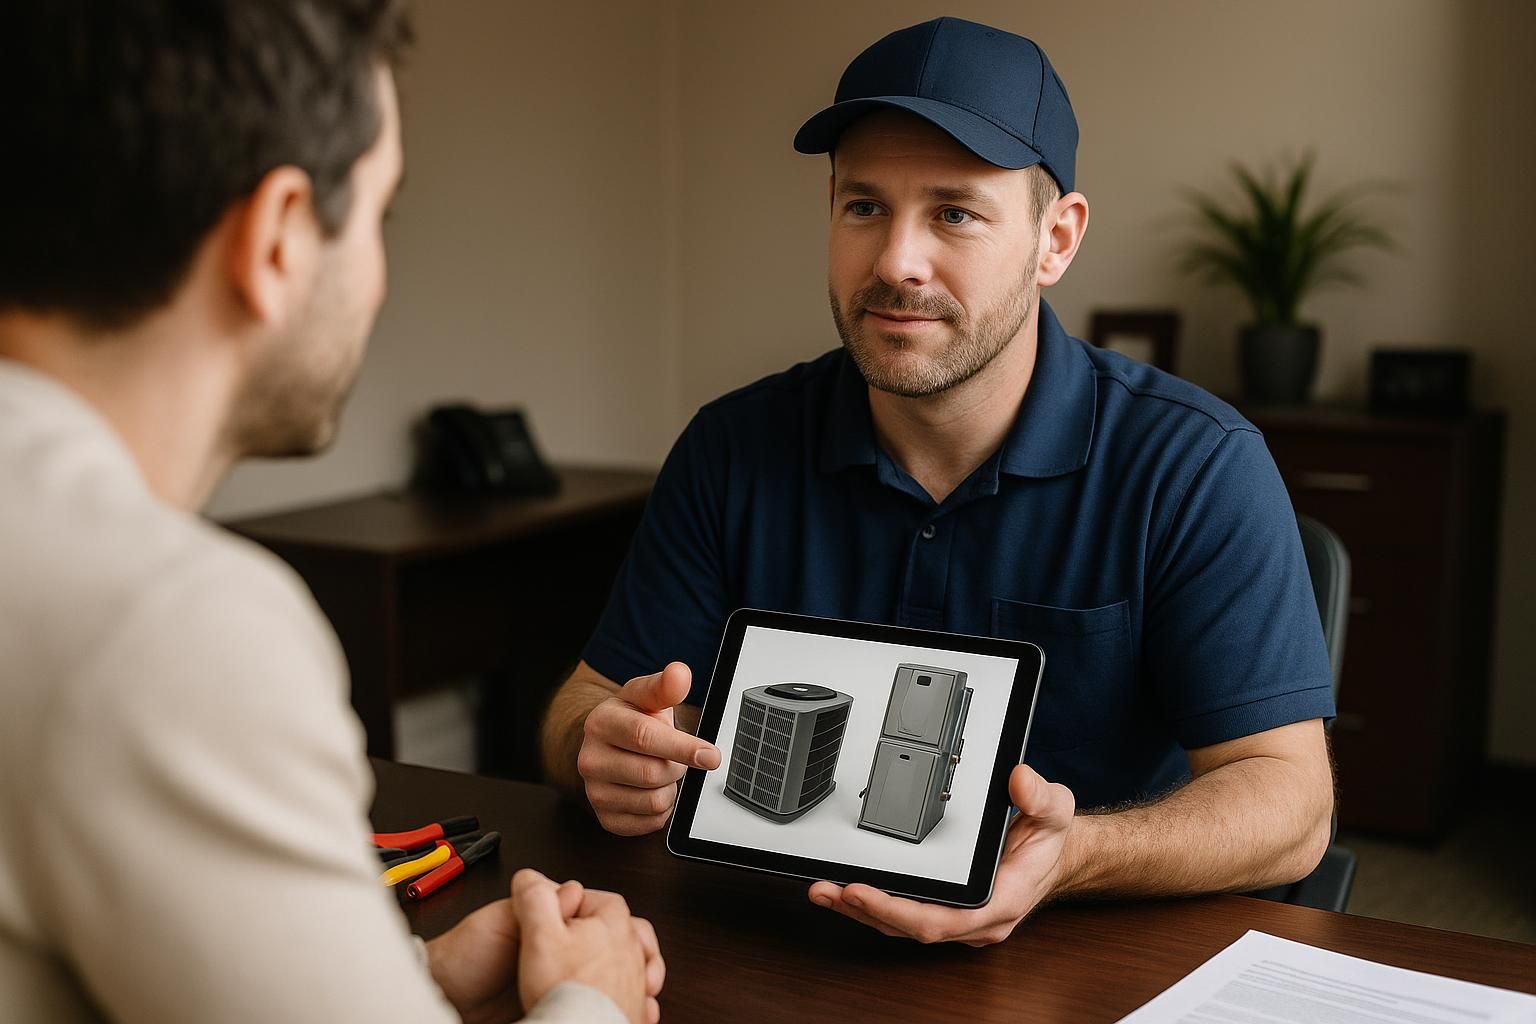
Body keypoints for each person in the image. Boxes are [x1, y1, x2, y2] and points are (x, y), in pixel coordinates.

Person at [540, 16, 1336, 946]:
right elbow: (584, 704)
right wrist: (601, 748)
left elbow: (1292, 802)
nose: (894, 263)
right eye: (863, 206)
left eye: (954, 212)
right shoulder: (732, 445)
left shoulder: (1196, 463)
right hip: (776, 946)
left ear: (1056, 240)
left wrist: (1071, 856)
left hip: (1078, 964)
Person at [0, 3, 662, 1021]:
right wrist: (592, 1002)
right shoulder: (168, 627)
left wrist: (408, 974)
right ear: (274, 241)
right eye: (380, 217)